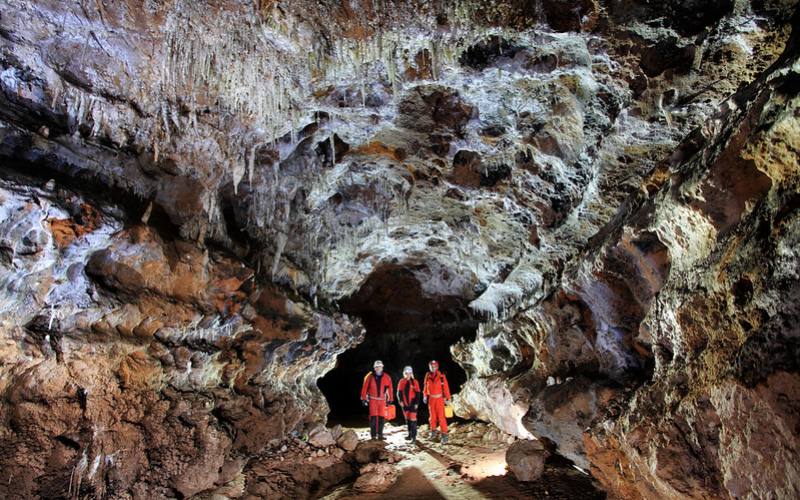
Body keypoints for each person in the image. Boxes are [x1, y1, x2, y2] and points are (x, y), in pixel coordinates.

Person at [360, 360, 393, 440]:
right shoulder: (369, 376)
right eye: (377, 367)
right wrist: (363, 398)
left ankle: (380, 434)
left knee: (382, 417)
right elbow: (364, 388)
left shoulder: (387, 377)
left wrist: (390, 399)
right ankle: (373, 435)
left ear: (382, 367)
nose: (378, 368)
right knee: (373, 417)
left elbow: (390, 389)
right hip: (373, 400)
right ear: (374, 368)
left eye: (380, 367)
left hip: (382, 400)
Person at [423, 360, 451, 443]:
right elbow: (425, 386)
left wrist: (448, 398)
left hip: (439, 399)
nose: (433, 367)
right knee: (432, 417)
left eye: (434, 366)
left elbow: (446, 388)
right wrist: (424, 395)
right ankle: (433, 433)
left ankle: (444, 436)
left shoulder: (442, 376)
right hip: (431, 399)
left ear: (437, 367)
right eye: (431, 366)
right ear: (429, 367)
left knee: (441, 418)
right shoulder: (427, 375)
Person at [396, 366, 421, 443]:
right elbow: (399, 392)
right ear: (404, 373)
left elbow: (418, 393)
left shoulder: (415, 382)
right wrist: (400, 401)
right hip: (405, 404)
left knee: (413, 420)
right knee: (408, 420)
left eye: (410, 373)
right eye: (407, 373)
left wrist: (417, 403)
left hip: (413, 403)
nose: (408, 375)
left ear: (411, 373)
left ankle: (414, 438)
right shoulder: (401, 381)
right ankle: (409, 435)